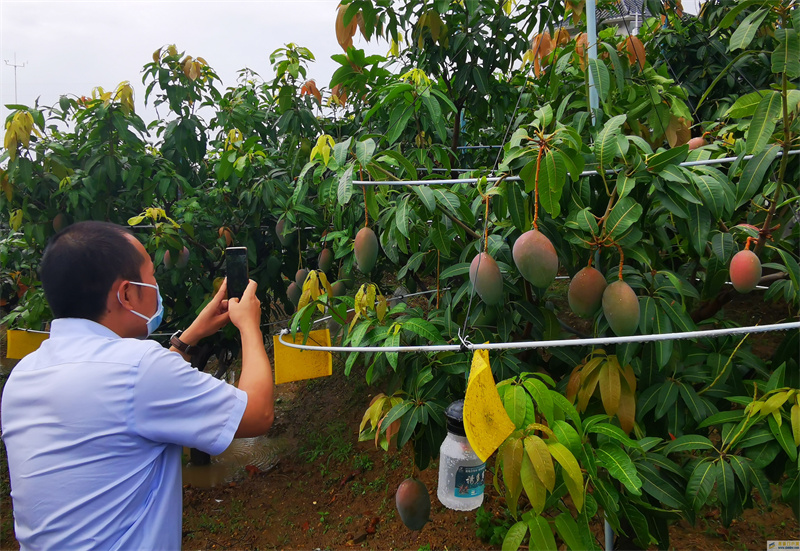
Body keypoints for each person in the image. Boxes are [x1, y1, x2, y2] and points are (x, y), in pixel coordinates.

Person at [1, 221, 274, 550]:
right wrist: (249, 327)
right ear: (127, 293)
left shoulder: (23, 375)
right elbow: (257, 414)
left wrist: (189, 337)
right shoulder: (141, 370)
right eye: (151, 276)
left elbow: (126, 395)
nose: (157, 286)